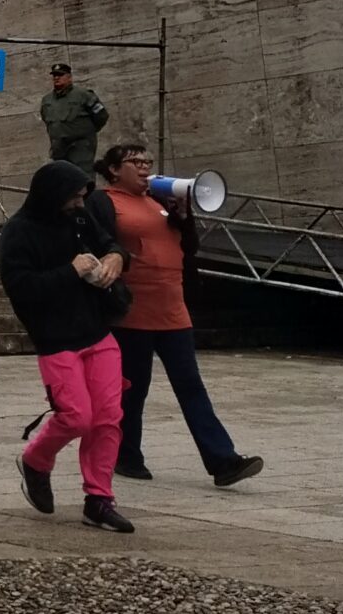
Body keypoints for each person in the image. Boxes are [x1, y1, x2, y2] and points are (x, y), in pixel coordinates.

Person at [90, 144, 263, 490]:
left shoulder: (159, 201)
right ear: (113, 170)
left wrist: (183, 216)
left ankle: (223, 460)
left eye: (147, 162)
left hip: (173, 310)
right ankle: (127, 455)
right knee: (132, 391)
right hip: (132, 313)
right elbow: (101, 241)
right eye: (134, 162)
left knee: (191, 387)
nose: (143, 167)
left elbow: (189, 248)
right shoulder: (104, 201)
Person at [0, 160, 135, 531]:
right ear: (52, 195)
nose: (80, 204)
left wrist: (114, 258)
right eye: (74, 197)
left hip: (97, 331)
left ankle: (99, 499)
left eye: (83, 197)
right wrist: (70, 271)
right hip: (54, 338)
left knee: (108, 418)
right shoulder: (18, 233)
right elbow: (21, 289)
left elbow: (111, 243)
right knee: (76, 416)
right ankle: (36, 461)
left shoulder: (79, 218)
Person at [40, 63, 109, 169]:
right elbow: (47, 120)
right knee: (63, 180)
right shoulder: (47, 100)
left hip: (80, 147)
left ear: (69, 77)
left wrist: (87, 132)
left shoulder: (83, 95)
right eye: (54, 76)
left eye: (60, 75)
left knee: (83, 178)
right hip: (59, 148)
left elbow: (102, 116)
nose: (57, 78)